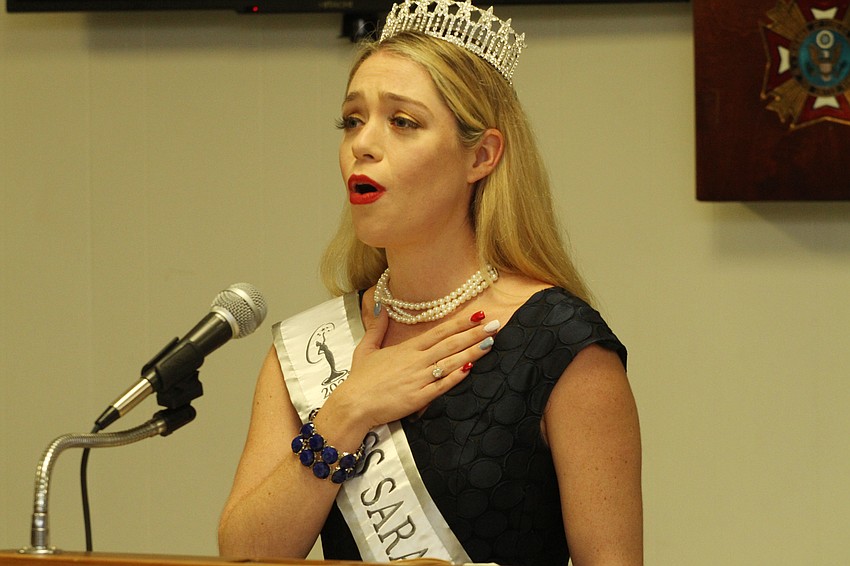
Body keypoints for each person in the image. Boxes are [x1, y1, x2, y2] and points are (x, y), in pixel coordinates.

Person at [217, 0, 642, 564]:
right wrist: (347, 412)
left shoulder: (561, 345)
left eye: (402, 122)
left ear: (482, 156)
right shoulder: (311, 348)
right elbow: (242, 557)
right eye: (352, 120)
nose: (362, 145)